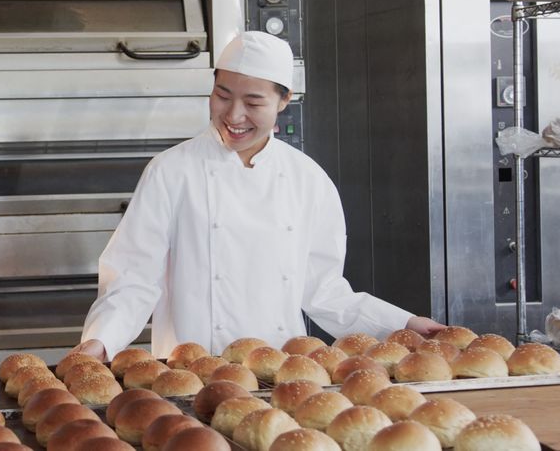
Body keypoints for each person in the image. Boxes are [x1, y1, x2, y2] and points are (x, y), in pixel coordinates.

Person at [74, 32, 443, 360]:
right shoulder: (171, 171)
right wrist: (101, 341)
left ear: (284, 100)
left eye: (253, 103)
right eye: (222, 96)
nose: (234, 115)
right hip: (193, 377)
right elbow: (134, 277)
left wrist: (404, 324)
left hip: (283, 375)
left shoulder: (307, 179)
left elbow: (324, 291)